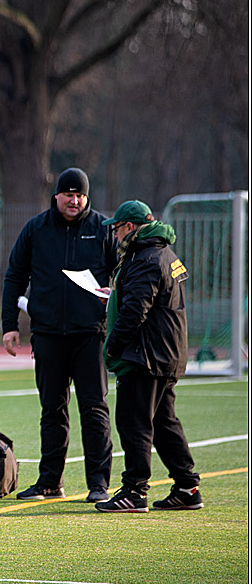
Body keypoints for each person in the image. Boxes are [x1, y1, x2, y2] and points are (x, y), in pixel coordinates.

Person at [1, 167, 116, 503]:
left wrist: (113, 294)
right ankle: (50, 481)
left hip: (89, 334)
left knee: (94, 408)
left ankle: (98, 484)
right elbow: (14, 277)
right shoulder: (36, 229)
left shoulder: (102, 229)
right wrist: (10, 324)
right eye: (68, 194)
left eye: (80, 195)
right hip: (48, 333)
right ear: (57, 196)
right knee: (52, 409)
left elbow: (123, 272)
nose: (74, 200)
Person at [95, 200, 202, 513]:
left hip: (146, 355)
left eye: (116, 229)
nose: (114, 236)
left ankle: (134, 490)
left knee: (133, 422)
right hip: (165, 352)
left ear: (129, 227)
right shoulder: (164, 253)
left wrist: (112, 345)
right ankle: (187, 486)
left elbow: (136, 309)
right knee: (164, 422)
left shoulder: (145, 257)